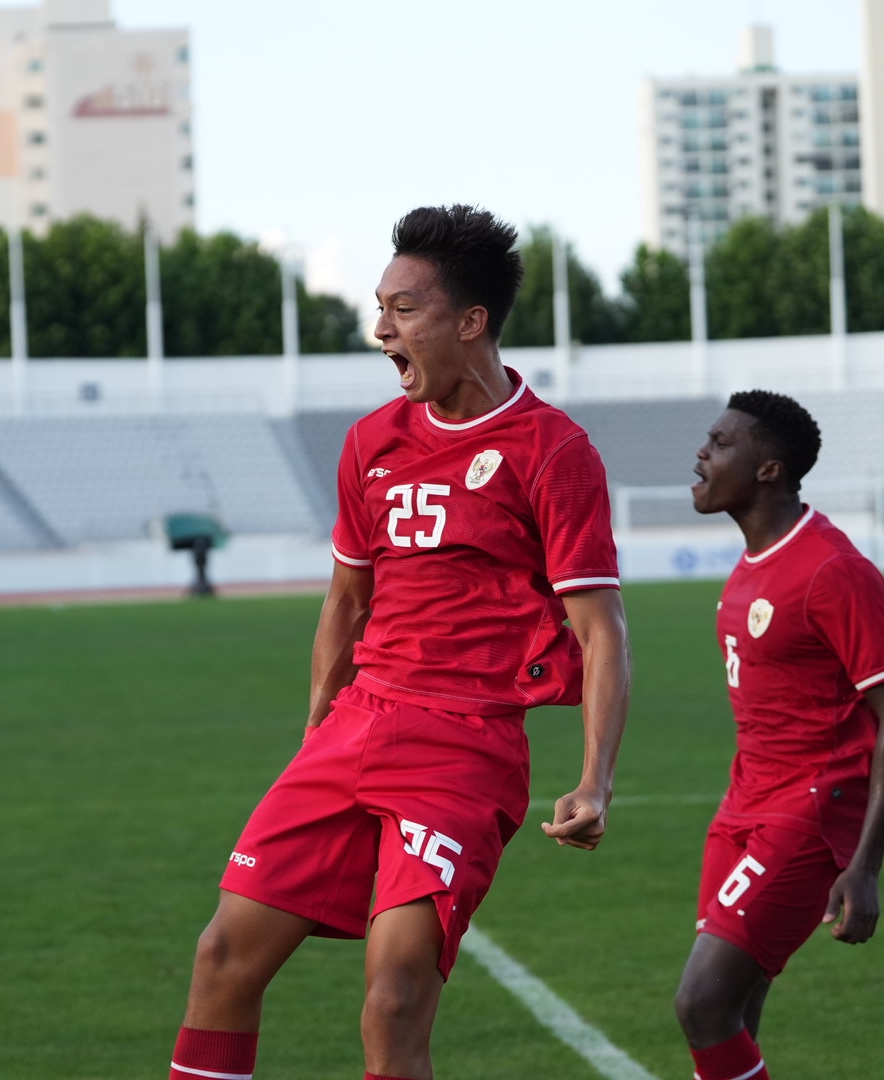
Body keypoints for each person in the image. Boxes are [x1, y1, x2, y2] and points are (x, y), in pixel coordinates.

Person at [165, 205, 631, 1080]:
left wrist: (594, 780)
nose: (381, 328)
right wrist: (316, 733)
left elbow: (599, 630)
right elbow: (346, 603)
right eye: (380, 307)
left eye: (403, 309)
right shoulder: (371, 443)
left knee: (395, 998)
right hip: (356, 726)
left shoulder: (553, 453)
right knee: (223, 957)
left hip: (465, 745)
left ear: (471, 321)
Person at [677, 391, 884, 1080]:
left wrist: (866, 864)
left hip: (810, 811)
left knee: (701, 1003)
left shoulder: (831, 570)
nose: (703, 452)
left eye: (723, 443)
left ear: (769, 469)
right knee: (730, 1012)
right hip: (741, 811)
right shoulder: (748, 568)